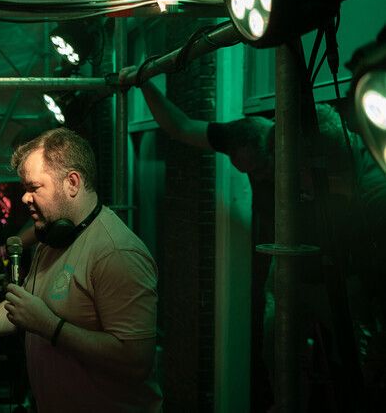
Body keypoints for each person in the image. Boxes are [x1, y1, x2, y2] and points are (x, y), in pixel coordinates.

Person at [119, 64, 386, 410]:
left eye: (260, 170)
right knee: (275, 338)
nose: (256, 177)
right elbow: (181, 127)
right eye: (248, 170)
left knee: (358, 357)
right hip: (289, 261)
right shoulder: (257, 137)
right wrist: (144, 80)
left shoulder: (364, 183)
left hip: (344, 270)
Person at [0, 128, 161, 412]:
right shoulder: (53, 238)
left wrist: (49, 326)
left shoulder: (116, 252)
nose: (25, 198)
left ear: (72, 183)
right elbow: (21, 310)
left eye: (34, 188)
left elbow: (135, 362)